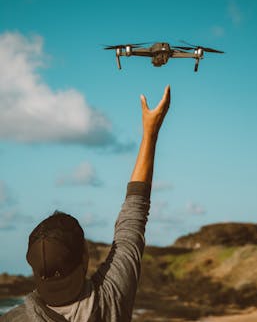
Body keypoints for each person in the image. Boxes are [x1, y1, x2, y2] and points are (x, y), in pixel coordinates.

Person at [2, 85, 171, 322]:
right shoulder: (111, 298)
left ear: (34, 270)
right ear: (85, 256)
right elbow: (133, 218)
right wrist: (150, 132)